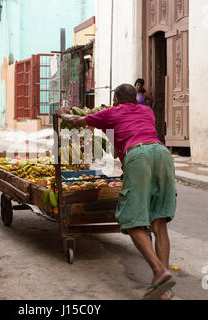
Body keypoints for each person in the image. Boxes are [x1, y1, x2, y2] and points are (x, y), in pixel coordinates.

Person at [57, 84, 177, 300]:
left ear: (117, 100)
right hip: (163, 154)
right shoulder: (146, 111)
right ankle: (164, 288)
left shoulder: (112, 112)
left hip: (138, 155)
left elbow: (77, 121)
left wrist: (63, 114)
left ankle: (159, 271)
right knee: (159, 222)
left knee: (131, 221)